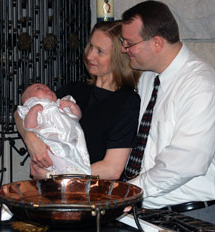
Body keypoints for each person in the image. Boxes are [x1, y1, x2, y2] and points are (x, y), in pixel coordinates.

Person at [120, 0, 215, 228]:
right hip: (150, 213)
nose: (123, 49)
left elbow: (185, 162)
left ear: (157, 43)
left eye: (129, 43)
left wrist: (130, 191)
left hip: (192, 216)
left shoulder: (201, 85)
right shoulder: (150, 78)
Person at [14, 20, 141, 180]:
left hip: (92, 195)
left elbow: (112, 169)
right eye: (91, 46)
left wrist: (54, 176)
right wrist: (30, 138)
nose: (89, 55)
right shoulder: (74, 89)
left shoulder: (127, 102)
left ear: (119, 57)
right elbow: (20, 113)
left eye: (99, 51)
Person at [17, 83, 91, 177]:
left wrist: (72, 106)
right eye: (39, 88)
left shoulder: (61, 103)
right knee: (53, 156)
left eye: (48, 88)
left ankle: (73, 170)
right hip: (50, 140)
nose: (46, 88)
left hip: (70, 139)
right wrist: (33, 111)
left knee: (76, 155)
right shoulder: (32, 108)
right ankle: (59, 172)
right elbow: (29, 127)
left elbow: (77, 116)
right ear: (29, 100)